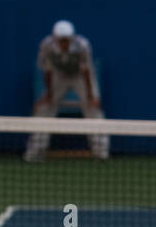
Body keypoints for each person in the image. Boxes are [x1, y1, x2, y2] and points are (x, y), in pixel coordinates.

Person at [24, 20, 108, 163]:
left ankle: (101, 153)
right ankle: (35, 152)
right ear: (55, 39)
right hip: (59, 75)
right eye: (61, 41)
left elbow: (86, 70)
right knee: (44, 109)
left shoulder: (82, 46)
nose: (64, 44)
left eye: (66, 40)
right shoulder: (46, 46)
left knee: (93, 109)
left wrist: (91, 96)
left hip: (80, 76)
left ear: (72, 38)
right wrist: (48, 95)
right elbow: (47, 71)